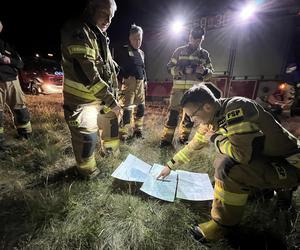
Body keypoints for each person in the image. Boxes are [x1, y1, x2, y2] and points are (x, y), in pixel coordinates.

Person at [158, 83, 300, 242]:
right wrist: (169, 165)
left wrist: (215, 138)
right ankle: (263, 190)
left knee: (227, 165)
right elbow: (193, 147)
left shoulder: (236, 110)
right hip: (272, 160)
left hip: (291, 165)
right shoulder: (212, 118)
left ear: (206, 107)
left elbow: (241, 156)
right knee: (225, 162)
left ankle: (222, 225)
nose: (191, 120)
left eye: (192, 115)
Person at [61, 0, 121, 179]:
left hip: (102, 98)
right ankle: (87, 173)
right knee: (87, 139)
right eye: (105, 13)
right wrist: (111, 100)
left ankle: (110, 157)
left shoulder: (99, 34)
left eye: (111, 16)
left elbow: (101, 63)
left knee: (111, 128)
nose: (109, 20)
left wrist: (114, 67)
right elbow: (85, 70)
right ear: (91, 9)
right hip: (82, 101)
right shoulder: (78, 30)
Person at [160, 26, 214, 148]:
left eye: (198, 39)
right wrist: (182, 70)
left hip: (194, 92)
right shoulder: (179, 51)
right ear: (190, 36)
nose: (195, 41)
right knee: (173, 115)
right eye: (193, 38)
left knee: (189, 117)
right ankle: (166, 140)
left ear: (202, 39)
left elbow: (211, 72)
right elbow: (169, 67)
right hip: (178, 90)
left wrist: (204, 71)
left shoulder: (204, 54)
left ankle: (183, 139)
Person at [0, 20, 32, 150]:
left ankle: (26, 135)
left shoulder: (7, 45)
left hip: (12, 81)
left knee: (20, 108)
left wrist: (9, 60)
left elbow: (20, 63)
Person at [115, 24, 147, 140]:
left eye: (140, 39)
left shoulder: (142, 53)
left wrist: (145, 81)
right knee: (127, 111)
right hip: (128, 84)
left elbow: (143, 68)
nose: (137, 42)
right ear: (130, 38)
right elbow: (117, 69)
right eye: (135, 39)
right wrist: (120, 82)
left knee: (140, 109)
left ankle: (138, 132)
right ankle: (122, 135)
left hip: (140, 84)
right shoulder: (123, 50)